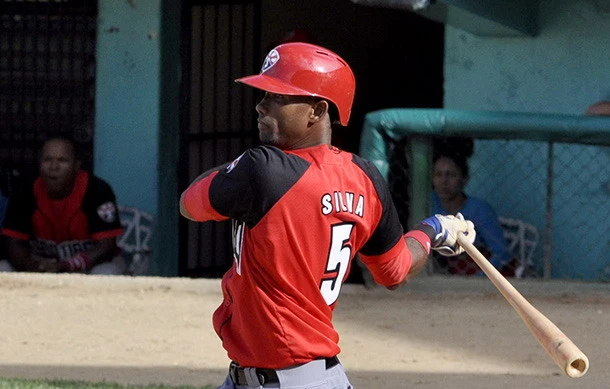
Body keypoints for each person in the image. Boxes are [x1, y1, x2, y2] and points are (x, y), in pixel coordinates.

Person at [179, 42, 475, 389]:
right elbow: (394, 271)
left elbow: (190, 203)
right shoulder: (365, 178)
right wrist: (432, 229)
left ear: (317, 110)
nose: (260, 106)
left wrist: (234, 170)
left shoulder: (263, 169)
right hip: (305, 377)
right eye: (264, 94)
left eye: (277, 96)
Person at [0, 136, 125, 274]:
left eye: (62, 160)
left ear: (76, 165)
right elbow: (13, 243)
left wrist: (67, 265)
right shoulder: (25, 191)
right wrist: (32, 265)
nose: (54, 167)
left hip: (88, 264)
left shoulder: (96, 190)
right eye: (48, 160)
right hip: (39, 264)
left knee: (107, 272)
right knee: (3, 268)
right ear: (40, 163)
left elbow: (106, 245)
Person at [431, 150, 512, 275]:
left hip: (475, 274)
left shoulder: (479, 210)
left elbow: (501, 252)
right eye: (438, 175)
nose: (443, 182)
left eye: (451, 175)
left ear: (464, 179)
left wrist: (479, 278)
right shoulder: (429, 205)